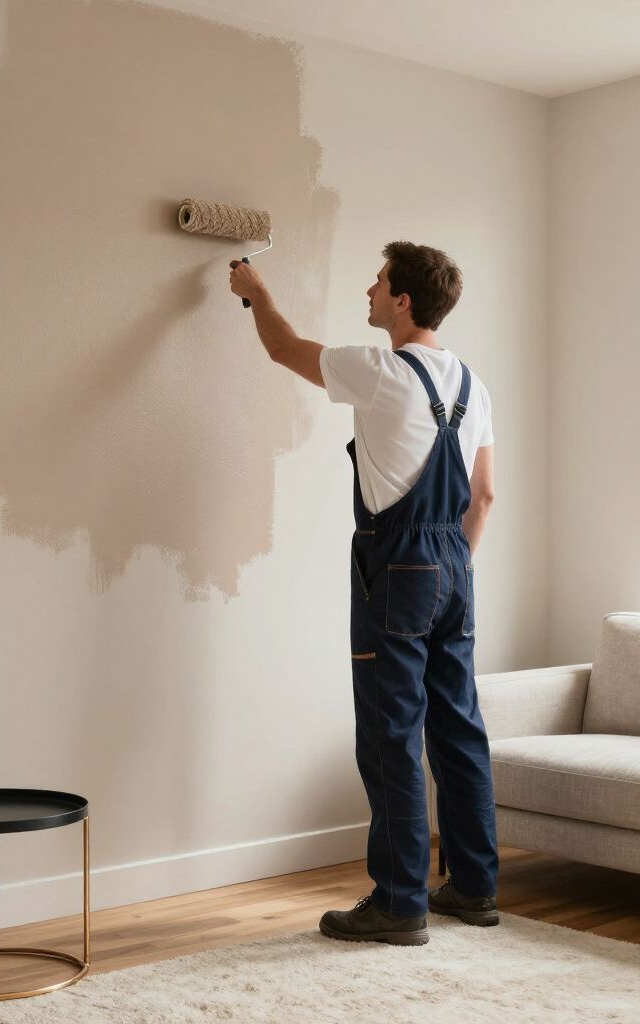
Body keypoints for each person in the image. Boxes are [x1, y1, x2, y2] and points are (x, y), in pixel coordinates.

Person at [230, 241, 499, 947]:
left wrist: (255, 290)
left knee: (391, 733)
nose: (370, 290)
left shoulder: (379, 369)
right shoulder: (474, 383)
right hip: (454, 562)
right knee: (458, 728)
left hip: (400, 560)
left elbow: (284, 347)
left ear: (404, 300)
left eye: (379, 282)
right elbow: (486, 495)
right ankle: (473, 887)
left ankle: (399, 901)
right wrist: (452, 570)